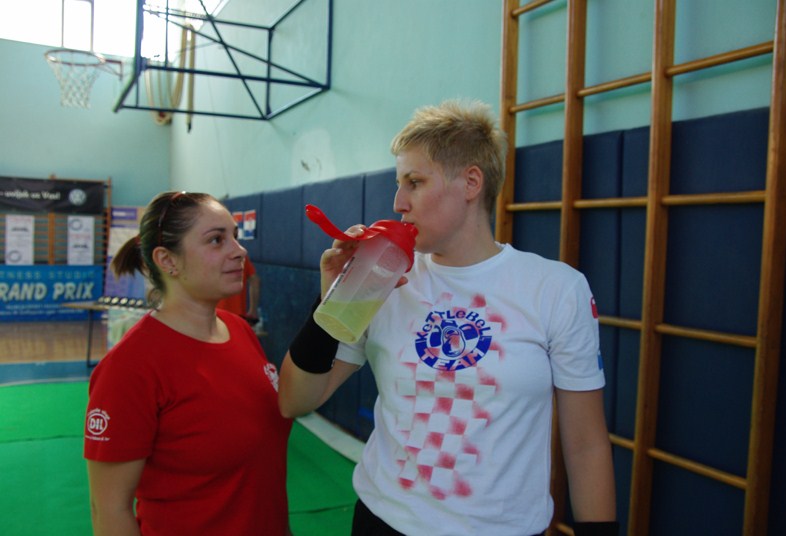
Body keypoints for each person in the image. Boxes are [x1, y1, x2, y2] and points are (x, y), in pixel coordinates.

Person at [279, 100, 618, 536]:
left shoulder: (555, 289)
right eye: (399, 184)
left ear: (471, 182)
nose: (399, 202)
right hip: (384, 521)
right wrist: (331, 304)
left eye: (415, 182)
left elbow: (586, 445)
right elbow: (296, 401)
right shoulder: (385, 280)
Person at [84, 191, 292, 535]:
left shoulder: (240, 331)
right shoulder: (129, 368)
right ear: (167, 260)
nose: (239, 251)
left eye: (235, 237)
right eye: (216, 240)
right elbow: (109, 509)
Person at [217, 255, 261, 324]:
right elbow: (255, 281)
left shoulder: (210, 256)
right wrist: (253, 310)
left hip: (214, 314)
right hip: (238, 315)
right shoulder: (240, 256)